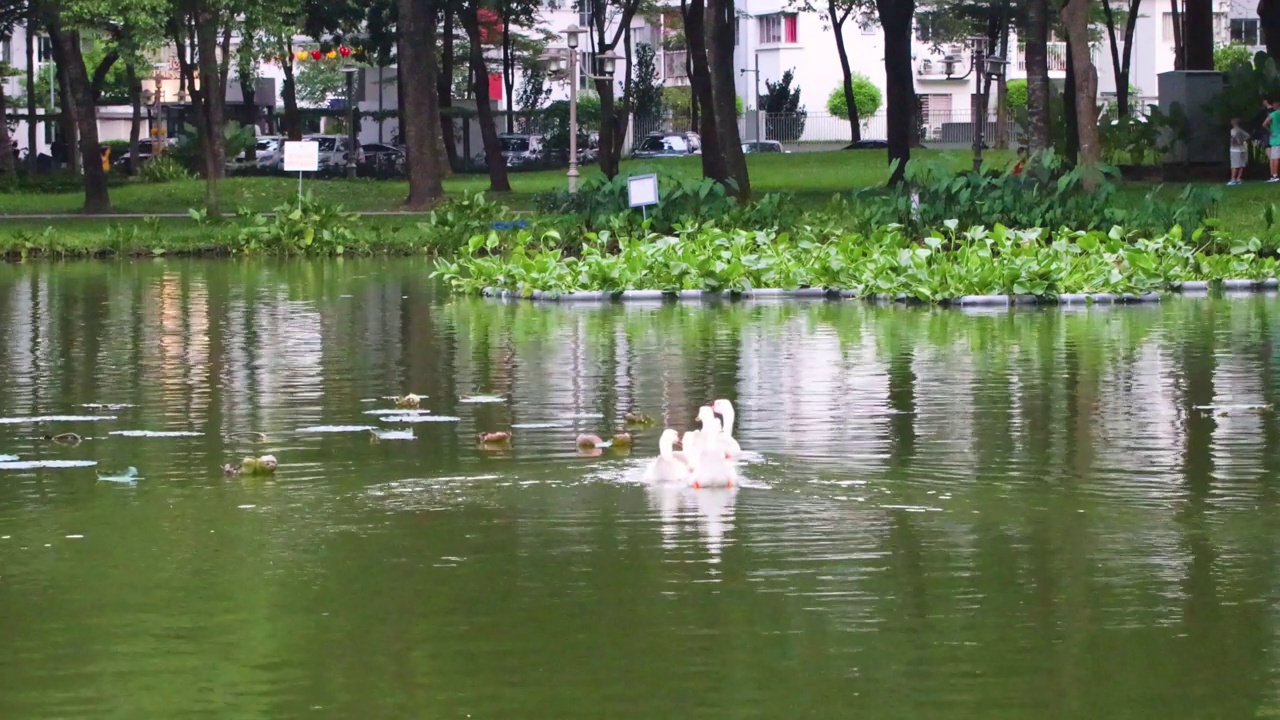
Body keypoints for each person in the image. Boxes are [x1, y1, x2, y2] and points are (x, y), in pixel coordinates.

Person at [1229, 118, 1250, 185]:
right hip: (1242, 149)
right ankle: (1238, 178)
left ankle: (1233, 179)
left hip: (1235, 149)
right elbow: (1248, 136)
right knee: (1241, 164)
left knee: (1234, 165)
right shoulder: (1241, 130)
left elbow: (1234, 137)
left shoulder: (1233, 130)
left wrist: (1239, 141)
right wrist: (1243, 140)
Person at [1263, 99, 1280, 182]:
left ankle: (1274, 175)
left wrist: (1271, 132)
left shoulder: (1273, 114)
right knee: (1275, 157)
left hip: (1275, 138)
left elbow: (1264, 124)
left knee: (1274, 158)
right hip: (1278, 137)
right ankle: (1275, 175)